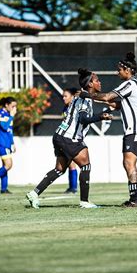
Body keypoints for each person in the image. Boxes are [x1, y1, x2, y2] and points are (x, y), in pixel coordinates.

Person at [26, 68, 112, 209]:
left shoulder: (82, 96)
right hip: (69, 139)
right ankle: (84, 201)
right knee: (86, 166)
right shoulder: (84, 99)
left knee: (59, 169)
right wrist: (101, 117)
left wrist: (107, 111)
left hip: (60, 136)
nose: (99, 82)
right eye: (97, 80)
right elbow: (84, 119)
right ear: (90, 84)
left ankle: (34, 193)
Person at [80, 52, 137, 207]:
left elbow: (107, 97)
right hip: (135, 130)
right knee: (128, 163)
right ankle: (136, 197)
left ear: (127, 70)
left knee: (129, 162)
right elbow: (117, 104)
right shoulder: (134, 84)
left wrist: (86, 94)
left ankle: (136, 199)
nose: (117, 72)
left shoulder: (129, 84)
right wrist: (108, 104)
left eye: (119, 69)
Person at [62, 88, 79, 194]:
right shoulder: (65, 108)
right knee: (69, 163)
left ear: (73, 97)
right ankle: (72, 187)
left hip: (73, 138)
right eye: (63, 96)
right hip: (65, 138)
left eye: (65, 96)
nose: (63, 98)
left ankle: (73, 187)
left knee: (72, 163)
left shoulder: (76, 107)